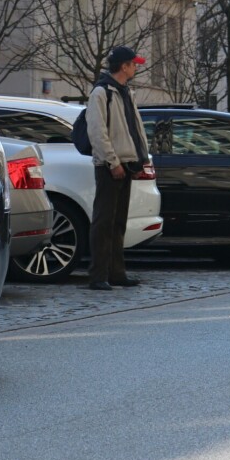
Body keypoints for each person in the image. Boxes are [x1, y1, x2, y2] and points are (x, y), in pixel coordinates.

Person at [85, 45, 151, 291]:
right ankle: (98, 275)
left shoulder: (126, 92)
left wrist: (139, 159)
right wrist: (113, 162)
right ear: (123, 66)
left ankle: (116, 272)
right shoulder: (102, 93)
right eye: (134, 64)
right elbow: (97, 132)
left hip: (125, 163)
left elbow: (135, 129)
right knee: (104, 221)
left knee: (118, 221)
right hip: (108, 166)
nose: (136, 67)